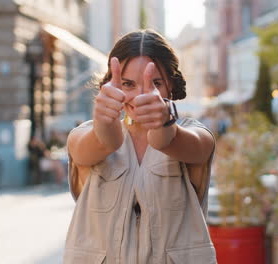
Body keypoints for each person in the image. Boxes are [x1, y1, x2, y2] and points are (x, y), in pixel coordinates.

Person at [64, 29, 217, 263]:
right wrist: (104, 121)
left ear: (171, 85)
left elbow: (172, 141)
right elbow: (99, 144)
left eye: (155, 83)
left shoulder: (196, 133)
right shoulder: (83, 134)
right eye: (128, 84)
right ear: (109, 85)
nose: (141, 95)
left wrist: (164, 120)